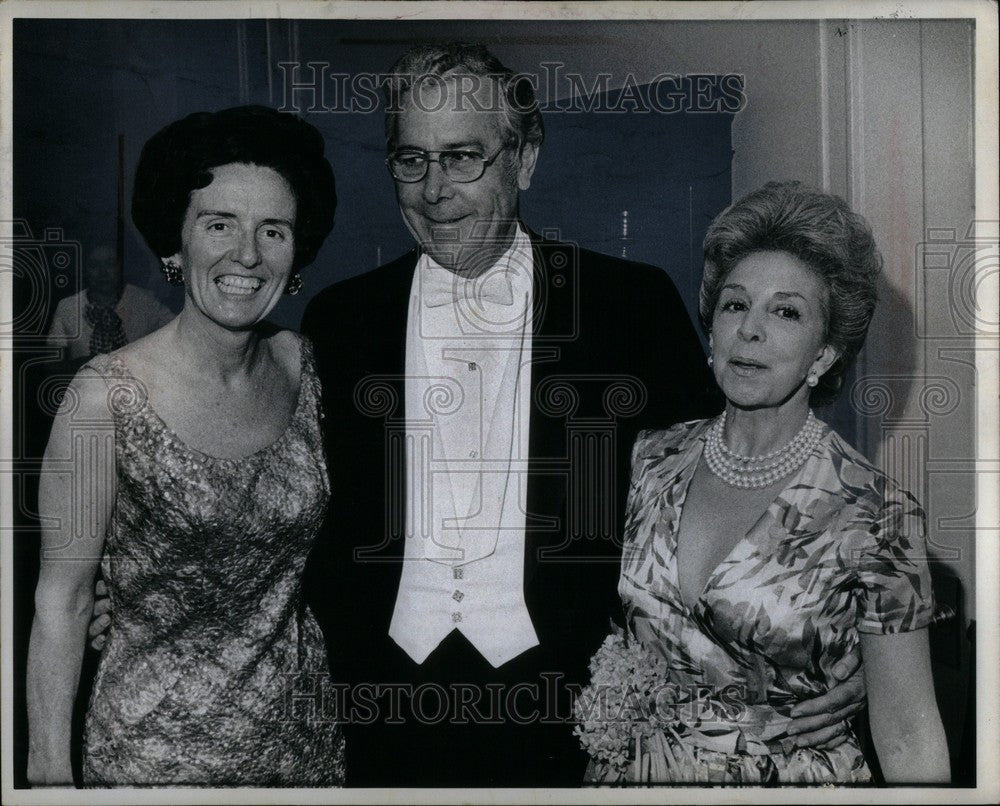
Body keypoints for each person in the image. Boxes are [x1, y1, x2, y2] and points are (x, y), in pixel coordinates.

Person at [299, 44, 864, 787]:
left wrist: (837, 639)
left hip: (578, 723)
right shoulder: (340, 322)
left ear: (525, 158)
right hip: (382, 716)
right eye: (411, 160)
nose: (434, 190)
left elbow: (733, 481)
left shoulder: (627, 306)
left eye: (464, 156)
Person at [27, 105, 343, 787]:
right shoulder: (101, 397)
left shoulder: (309, 367)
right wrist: (48, 780)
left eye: (273, 230)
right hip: (151, 765)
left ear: (297, 254)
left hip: (306, 754)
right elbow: (63, 602)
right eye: (219, 224)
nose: (246, 254)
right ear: (177, 242)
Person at [605, 180, 950, 783]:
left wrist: (868, 664)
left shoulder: (877, 513)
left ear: (824, 355)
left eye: (786, 311)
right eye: (736, 304)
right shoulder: (651, 458)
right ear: (711, 329)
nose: (750, 330)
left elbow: (910, 730)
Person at [46, 242, 174, 360]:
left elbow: (177, 332)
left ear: (121, 267)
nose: (103, 272)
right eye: (94, 265)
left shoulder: (145, 302)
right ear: (85, 270)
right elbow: (52, 364)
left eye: (110, 263)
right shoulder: (68, 307)